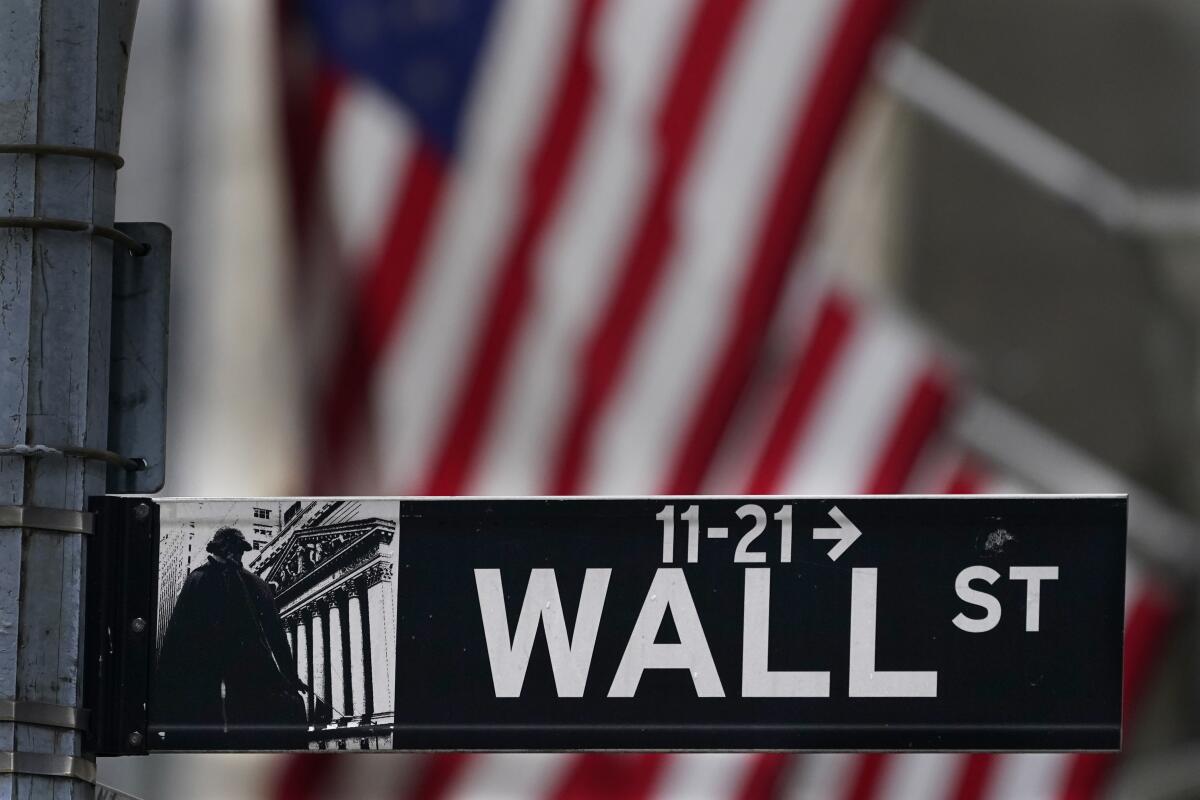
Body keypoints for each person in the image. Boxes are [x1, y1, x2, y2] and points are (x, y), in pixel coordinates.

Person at [154, 526, 308, 749]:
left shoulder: (255, 584)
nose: (239, 556)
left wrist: (290, 676)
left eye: (241, 551)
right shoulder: (197, 580)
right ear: (222, 549)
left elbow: (276, 635)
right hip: (206, 680)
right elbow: (175, 640)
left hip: (246, 678)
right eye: (235, 550)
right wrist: (166, 693)